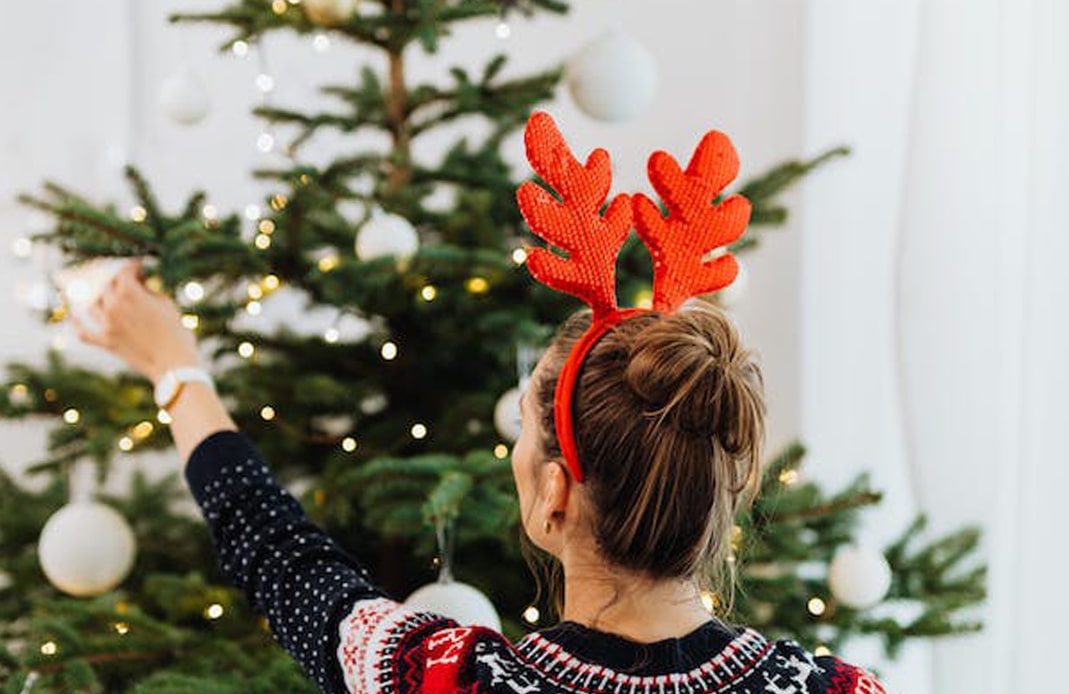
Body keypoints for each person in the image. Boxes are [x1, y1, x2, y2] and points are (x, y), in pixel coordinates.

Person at [73, 259, 887, 694]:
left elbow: (276, 551)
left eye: (525, 442)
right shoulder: (843, 692)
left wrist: (175, 368)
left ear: (554, 495)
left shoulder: (444, 679)